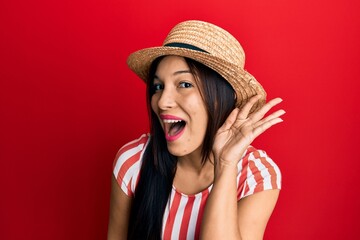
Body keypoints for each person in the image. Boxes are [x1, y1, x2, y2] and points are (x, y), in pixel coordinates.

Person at [108, 20, 285, 240]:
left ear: (221, 100)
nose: (162, 102)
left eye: (184, 84)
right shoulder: (133, 162)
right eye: (158, 86)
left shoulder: (256, 176)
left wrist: (226, 166)